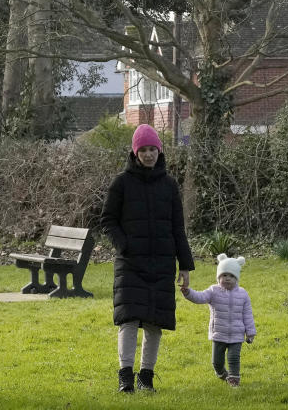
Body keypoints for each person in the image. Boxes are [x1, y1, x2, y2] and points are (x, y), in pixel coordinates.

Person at [100, 123, 195, 393]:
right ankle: (125, 377)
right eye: (144, 149)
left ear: (159, 151)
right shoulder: (121, 183)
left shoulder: (169, 185)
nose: (149, 154)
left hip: (162, 265)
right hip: (131, 264)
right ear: (135, 152)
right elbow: (107, 220)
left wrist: (185, 266)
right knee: (128, 320)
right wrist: (124, 246)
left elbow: (178, 228)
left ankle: (147, 377)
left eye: (153, 149)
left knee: (155, 324)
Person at [180, 253, 257, 387]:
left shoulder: (243, 294)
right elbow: (200, 297)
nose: (227, 279)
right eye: (224, 275)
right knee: (217, 362)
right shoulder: (213, 291)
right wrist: (188, 293)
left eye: (231, 276)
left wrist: (250, 333)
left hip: (236, 334)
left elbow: (247, 314)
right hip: (219, 333)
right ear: (219, 277)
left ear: (237, 278)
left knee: (233, 359)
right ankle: (222, 374)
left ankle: (234, 380)